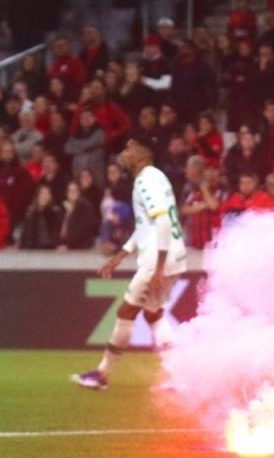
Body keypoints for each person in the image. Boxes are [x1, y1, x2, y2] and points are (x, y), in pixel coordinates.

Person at [72, 136, 187, 391]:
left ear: (143, 154)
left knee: (126, 312)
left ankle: (102, 374)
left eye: (129, 148)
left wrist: (158, 268)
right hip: (174, 256)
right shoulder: (157, 177)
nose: (124, 153)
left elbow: (163, 222)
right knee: (153, 313)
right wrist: (119, 257)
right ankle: (178, 375)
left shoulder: (146, 180)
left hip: (158, 259)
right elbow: (147, 227)